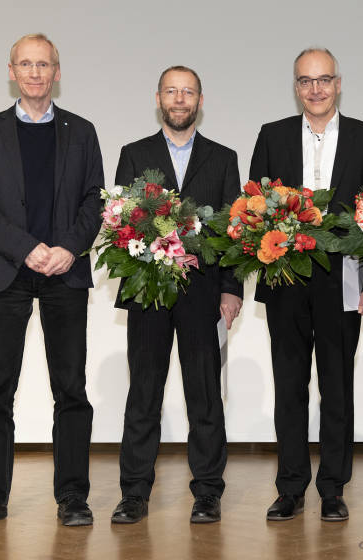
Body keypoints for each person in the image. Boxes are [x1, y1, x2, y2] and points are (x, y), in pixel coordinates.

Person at [0, 33, 103, 528]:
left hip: (65, 272)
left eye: (44, 64)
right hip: (6, 273)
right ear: (12, 72)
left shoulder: (82, 132)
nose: (36, 73)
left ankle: (73, 497)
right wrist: (25, 247)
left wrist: (67, 249)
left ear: (57, 72)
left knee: (71, 389)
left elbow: (94, 201)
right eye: (26, 64)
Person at [249, 47, 363, 522]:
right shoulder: (273, 135)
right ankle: (290, 487)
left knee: (337, 387)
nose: (316, 89)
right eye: (306, 81)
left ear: (339, 83)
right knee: (289, 387)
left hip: (342, 280)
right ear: (296, 86)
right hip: (286, 276)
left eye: (324, 79)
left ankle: (332, 487)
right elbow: (254, 204)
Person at [110, 66, 243, 525]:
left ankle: (207, 491)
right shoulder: (134, 154)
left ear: (200, 100)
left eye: (188, 92)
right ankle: (134, 493)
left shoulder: (224, 158)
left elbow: (232, 230)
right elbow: (121, 224)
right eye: (172, 91)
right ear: (159, 98)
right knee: (143, 393)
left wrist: (231, 289)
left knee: (204, 394)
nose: (179, 99)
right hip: (149, 291)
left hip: (204, 293)